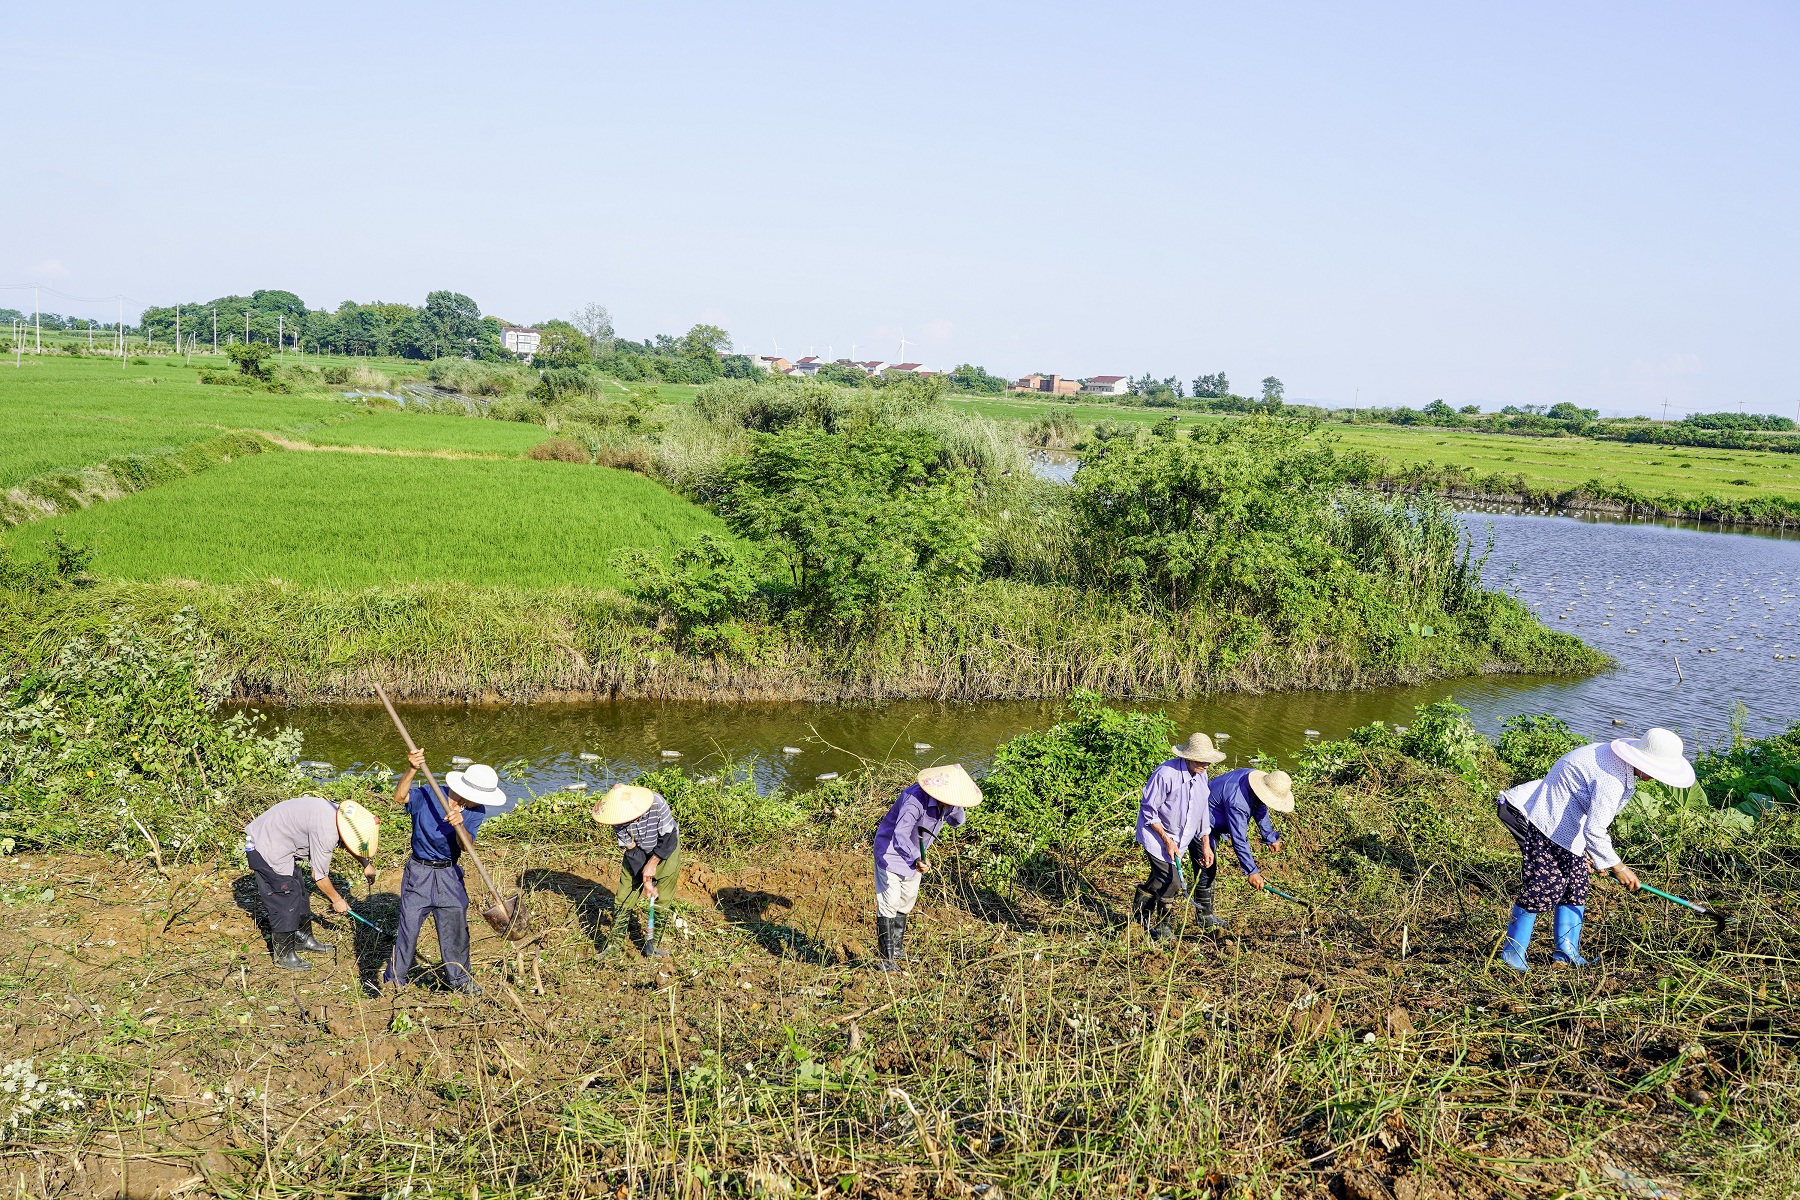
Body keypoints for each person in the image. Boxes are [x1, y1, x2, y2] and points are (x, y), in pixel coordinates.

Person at [1496, 727, 1694, 971]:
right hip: (1542, 819)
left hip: (1567, 821)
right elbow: (1595, 830)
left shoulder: (1621, 767)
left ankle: (1566, 952)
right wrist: (1618, 867)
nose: (1657, 777)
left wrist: (1594, 857)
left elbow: (1589, 817)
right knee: (1546, 886)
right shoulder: (1611, 778)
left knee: (1576, 884)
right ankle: (1512, 955)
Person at [384, 749, 502, 995]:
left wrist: (461, 826)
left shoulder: (475, 811)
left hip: (449, 873)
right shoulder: (429, 794)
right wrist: (412, 768)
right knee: (409, 927)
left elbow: (466, 847)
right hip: (420, 872)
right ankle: (394, 981)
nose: (477, 801)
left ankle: (459, 979)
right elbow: (399, 797)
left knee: (456, 924)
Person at [244, 794, 380, 971]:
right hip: (263, 844)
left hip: (281, 841)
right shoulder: (326, 832)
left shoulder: (341, 815)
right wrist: (337, 900)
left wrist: (366, 864)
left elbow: (349, 839)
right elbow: (319, 876)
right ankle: (284, 955)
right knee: (285, 896)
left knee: (299, 891)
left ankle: (302, 939)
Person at [871, 764, 983, 971]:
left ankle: (896, 949)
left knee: (906, 902)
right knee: (889, 902)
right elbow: (900, 835)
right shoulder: (914, 801)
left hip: (916, 857)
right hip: (891, 853)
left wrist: (957, 806)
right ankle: (886, 961)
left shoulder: (949, 802)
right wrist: (915, 858)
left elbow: (957, 822)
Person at [1132, 733, 1224, 942]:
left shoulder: (1201, 774)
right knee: (1172, 881)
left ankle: (1138, 921)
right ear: (1188, 757)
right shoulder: (1166, 773)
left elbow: (1201, 812)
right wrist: (1166, 840)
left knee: (1159, 878)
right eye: (1202, 760)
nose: (1207, 764)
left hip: (1180, 839)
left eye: (1208, 760)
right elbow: (1148, 810)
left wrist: (1206, 843)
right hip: (1156, 835)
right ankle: (1164, 928)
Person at [1194, 767, 1295, 927]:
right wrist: (1252, 871)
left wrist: (1270, 836)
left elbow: (1260, 807)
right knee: (1207, 868)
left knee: (1208, 867)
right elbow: (1239, 839)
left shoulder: (1257, 782)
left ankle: (1205, 916)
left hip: (1214, 819)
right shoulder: (1238, 801)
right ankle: (1204, 918)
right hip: (1201, 823)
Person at [593, 783, 681, 958]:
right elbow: (632, 849)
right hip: (637, 852)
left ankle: (652, 946)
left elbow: (669, 839)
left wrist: (653, 863)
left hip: (666, 850)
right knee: (623, 897)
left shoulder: (657, 803)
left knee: (661, 900)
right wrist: (646, 880)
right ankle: (613, 948)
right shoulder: (615, 817)